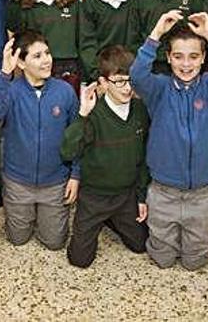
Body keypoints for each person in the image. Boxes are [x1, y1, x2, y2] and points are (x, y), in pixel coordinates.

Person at [130, 11, 208, 270]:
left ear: (204, 58)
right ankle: (163, 250)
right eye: (178, 57)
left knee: (196, 260)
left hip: (202, 193)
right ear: (168, 58)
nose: (186, 64)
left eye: (193, 56)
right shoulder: (158, 88)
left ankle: (193, 251)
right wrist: (156, 34)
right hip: (163, 192)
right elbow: (137, 76)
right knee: (162, 258)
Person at [0, 31, 79, 250]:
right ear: (21, 63)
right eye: (37, 56)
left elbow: (78, 135)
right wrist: (5, 73)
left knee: (54, 243)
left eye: (47, 53)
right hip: (18, 182)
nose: (46, 60)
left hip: (55, 182)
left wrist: (76, 175)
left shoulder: (65, 91)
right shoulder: (10, 91)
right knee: (18, 239)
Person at [61, 45, 149, 268]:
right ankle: (100, 219)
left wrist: (141, 197)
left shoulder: (140, 110)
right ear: (103, 83)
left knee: (141, 245)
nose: (127, 88)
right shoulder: (92, 113)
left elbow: (143, 160)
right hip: (94, 196)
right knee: (79, 260)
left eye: (130, 80)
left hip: (125, 195)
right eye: (119, 81)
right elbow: (68, 151)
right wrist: (82, 115)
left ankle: (112, 220)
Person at [8, 0, 88, 94]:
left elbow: (84, 42)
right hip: (36, 71)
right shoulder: (26, 6)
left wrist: (86, 78)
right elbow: (13, 27)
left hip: (69, 71)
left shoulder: (73, 3)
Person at [80, 0, 132, 79]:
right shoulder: (88, 4)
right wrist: (98, 76)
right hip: (101, 75)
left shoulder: (133, 3)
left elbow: (135, 40)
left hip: (128, 74)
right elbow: (87, 45)